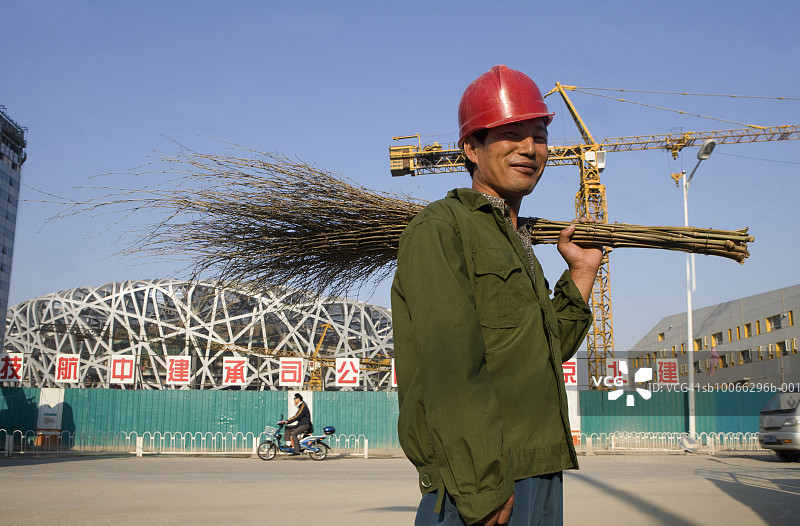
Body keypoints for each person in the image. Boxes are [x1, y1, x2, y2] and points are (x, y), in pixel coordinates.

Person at [391, 65, 603, 526]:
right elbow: (450, 369)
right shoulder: (442, 227)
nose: (530, 148)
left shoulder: (516, 241)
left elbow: (541, 354)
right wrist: (481, 484)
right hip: (486, 481)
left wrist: (581, 275)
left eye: (539, 135)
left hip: (539, 468)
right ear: (471, 147)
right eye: (512, 133)